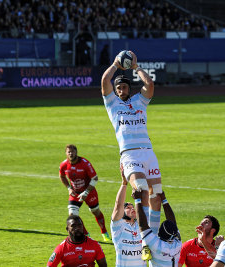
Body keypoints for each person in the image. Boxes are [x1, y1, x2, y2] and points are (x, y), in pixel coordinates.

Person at [101, 51, 162, 236]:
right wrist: (115, 64)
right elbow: (105, 82)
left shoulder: (139, 101)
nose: (120, 90)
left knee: (156, 194)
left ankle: (155, 235)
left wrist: (135, 67)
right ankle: (144, 235)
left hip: (148, 152)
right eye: (118, 87)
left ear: (129, 88)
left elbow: (149, 84)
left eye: (124, 87)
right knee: (141, 189)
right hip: (129, 154)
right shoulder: (112, 104)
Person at [59, 144, 111, 243]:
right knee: (72, 215)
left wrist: (86, 192)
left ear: (76, 152)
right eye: (68, 152)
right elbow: (61, 176)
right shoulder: (64, 165)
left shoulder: (85, 163)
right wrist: (69, 188)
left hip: (89, 192)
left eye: (72, 151)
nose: (71, 153)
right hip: (75, 193)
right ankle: (86, 235)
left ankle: (104, 232)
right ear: (66, 153)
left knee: (95, 211)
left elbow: (95, 178)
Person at [132, 189, 182, 266]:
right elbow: (172, 222)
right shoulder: (177, 242)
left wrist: (137, 200)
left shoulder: (157, 245)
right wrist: (164, 200)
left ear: (161, 233)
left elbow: (142, 224)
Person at [111, 164, 146, 267]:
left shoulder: (141, 226)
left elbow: (145, 206)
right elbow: (118, 205)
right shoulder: (118, 227)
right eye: (128, 208)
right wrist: (124, 183)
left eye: (133, 207)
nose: (132, 209)